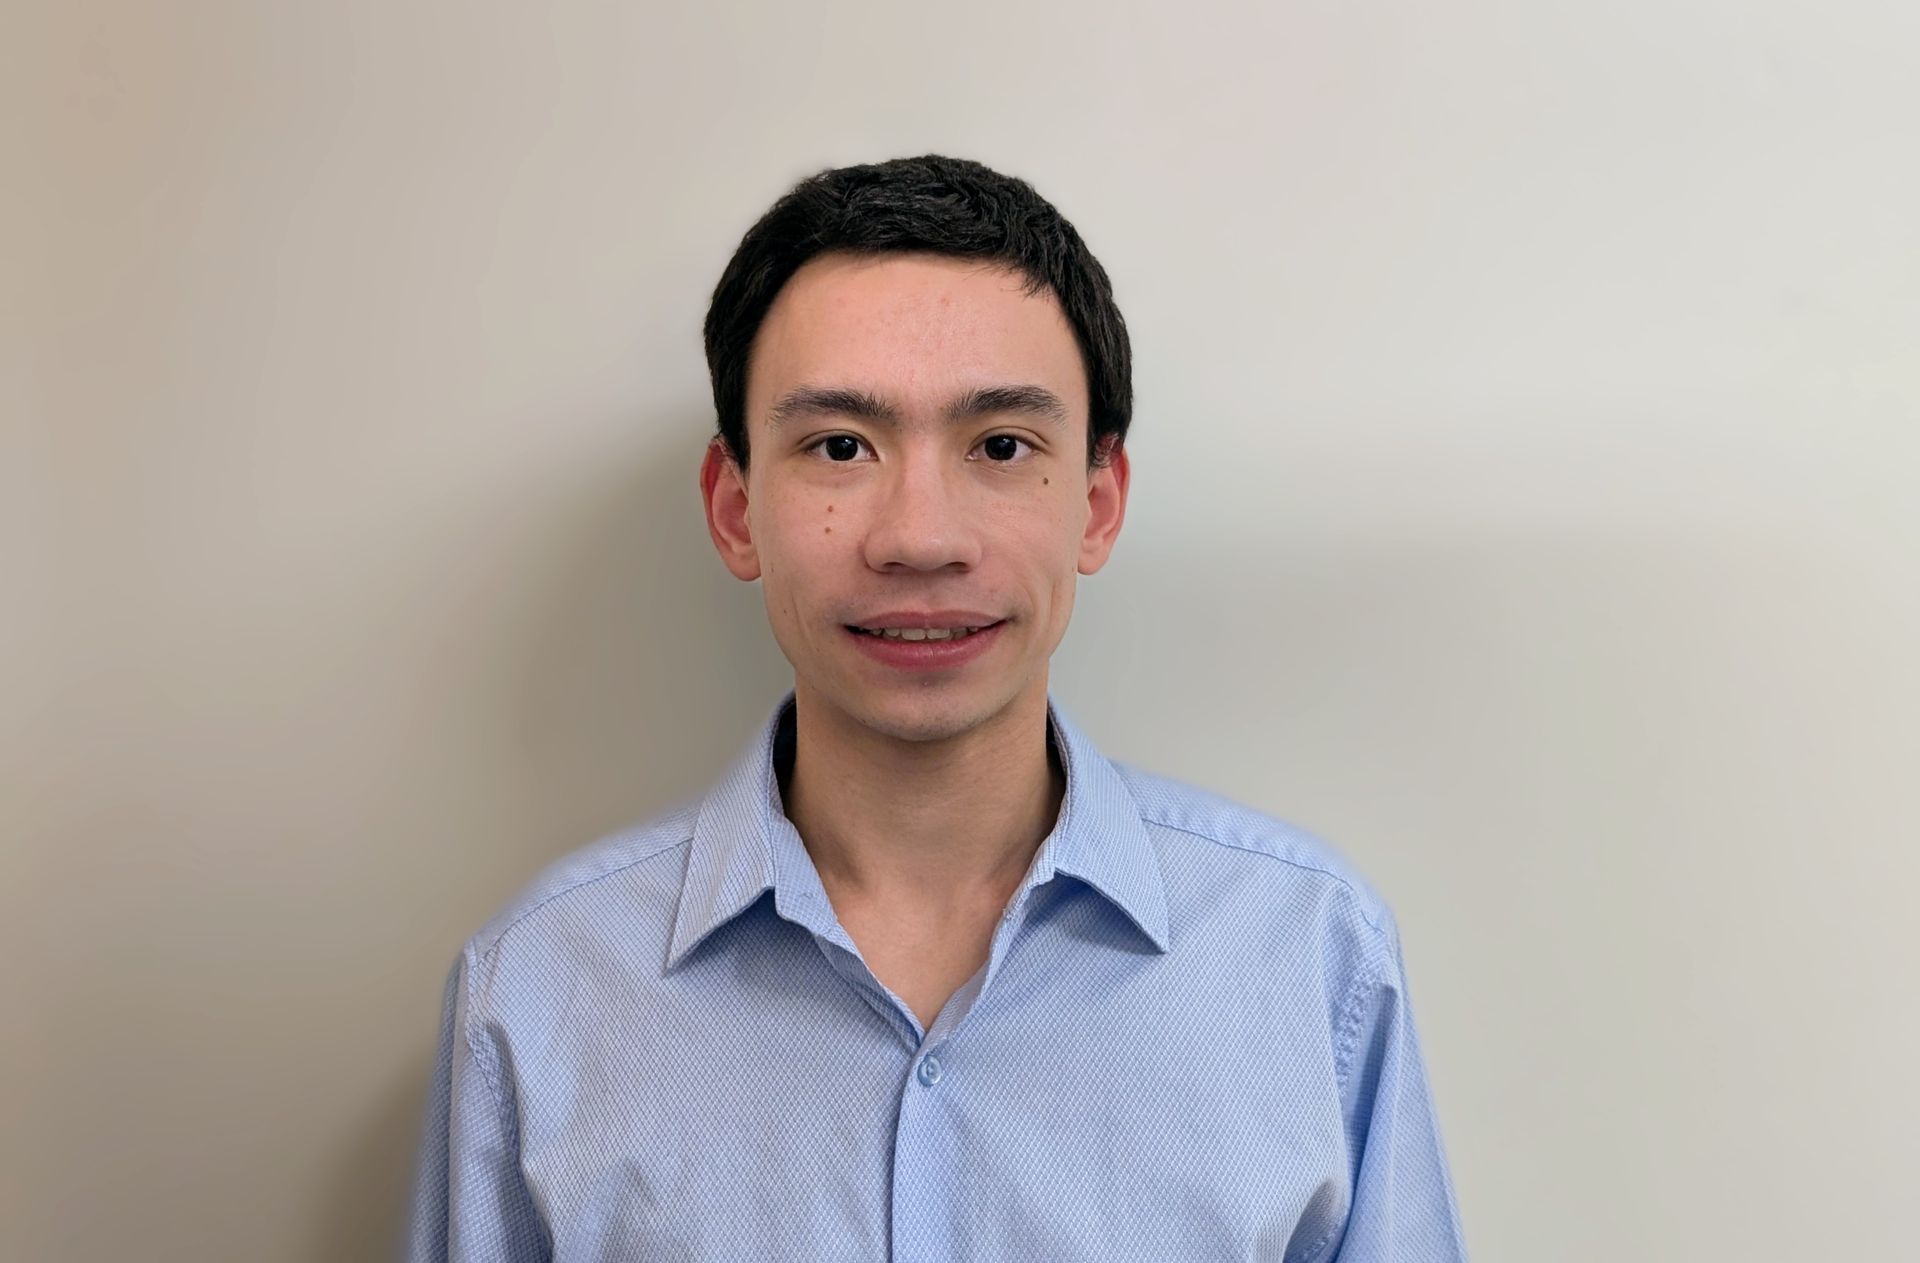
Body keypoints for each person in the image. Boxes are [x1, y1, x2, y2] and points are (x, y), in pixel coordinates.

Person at [405, 154, 1468, 1262]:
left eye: (1002, 446)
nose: (919, 537)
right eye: (840, 447)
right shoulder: (537, 994)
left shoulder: (1309, 960)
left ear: (1097, 506)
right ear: (734, 509)